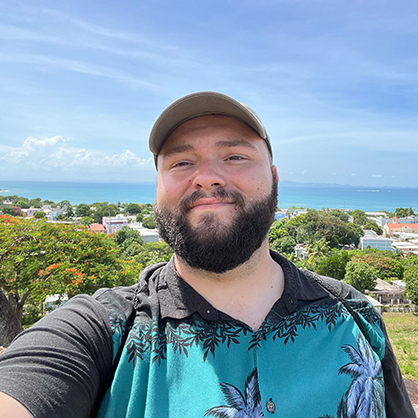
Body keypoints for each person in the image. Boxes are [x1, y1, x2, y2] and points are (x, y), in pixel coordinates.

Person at [0, 91, 414, 418]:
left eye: (235, 156)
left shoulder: (355, 315)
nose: (207, 177)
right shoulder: (103, 331)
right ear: (158, 187)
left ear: (272, 178)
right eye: (181, 162)